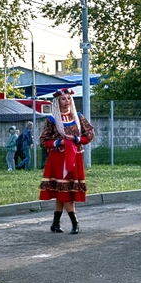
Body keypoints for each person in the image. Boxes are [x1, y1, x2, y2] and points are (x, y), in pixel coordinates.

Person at [40, 88, 96, 234]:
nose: (66, 101)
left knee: (64, 190)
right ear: (58, 102)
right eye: (63, 99)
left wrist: (77, 139)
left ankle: (55, 223)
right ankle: (74, 222)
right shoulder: (52, 119)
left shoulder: (78, 117)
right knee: (64, 190)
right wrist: (59, 143)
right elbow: (43, 140)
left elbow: (89, 134)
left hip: (75, 156)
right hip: (59, 158)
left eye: (68, 98)